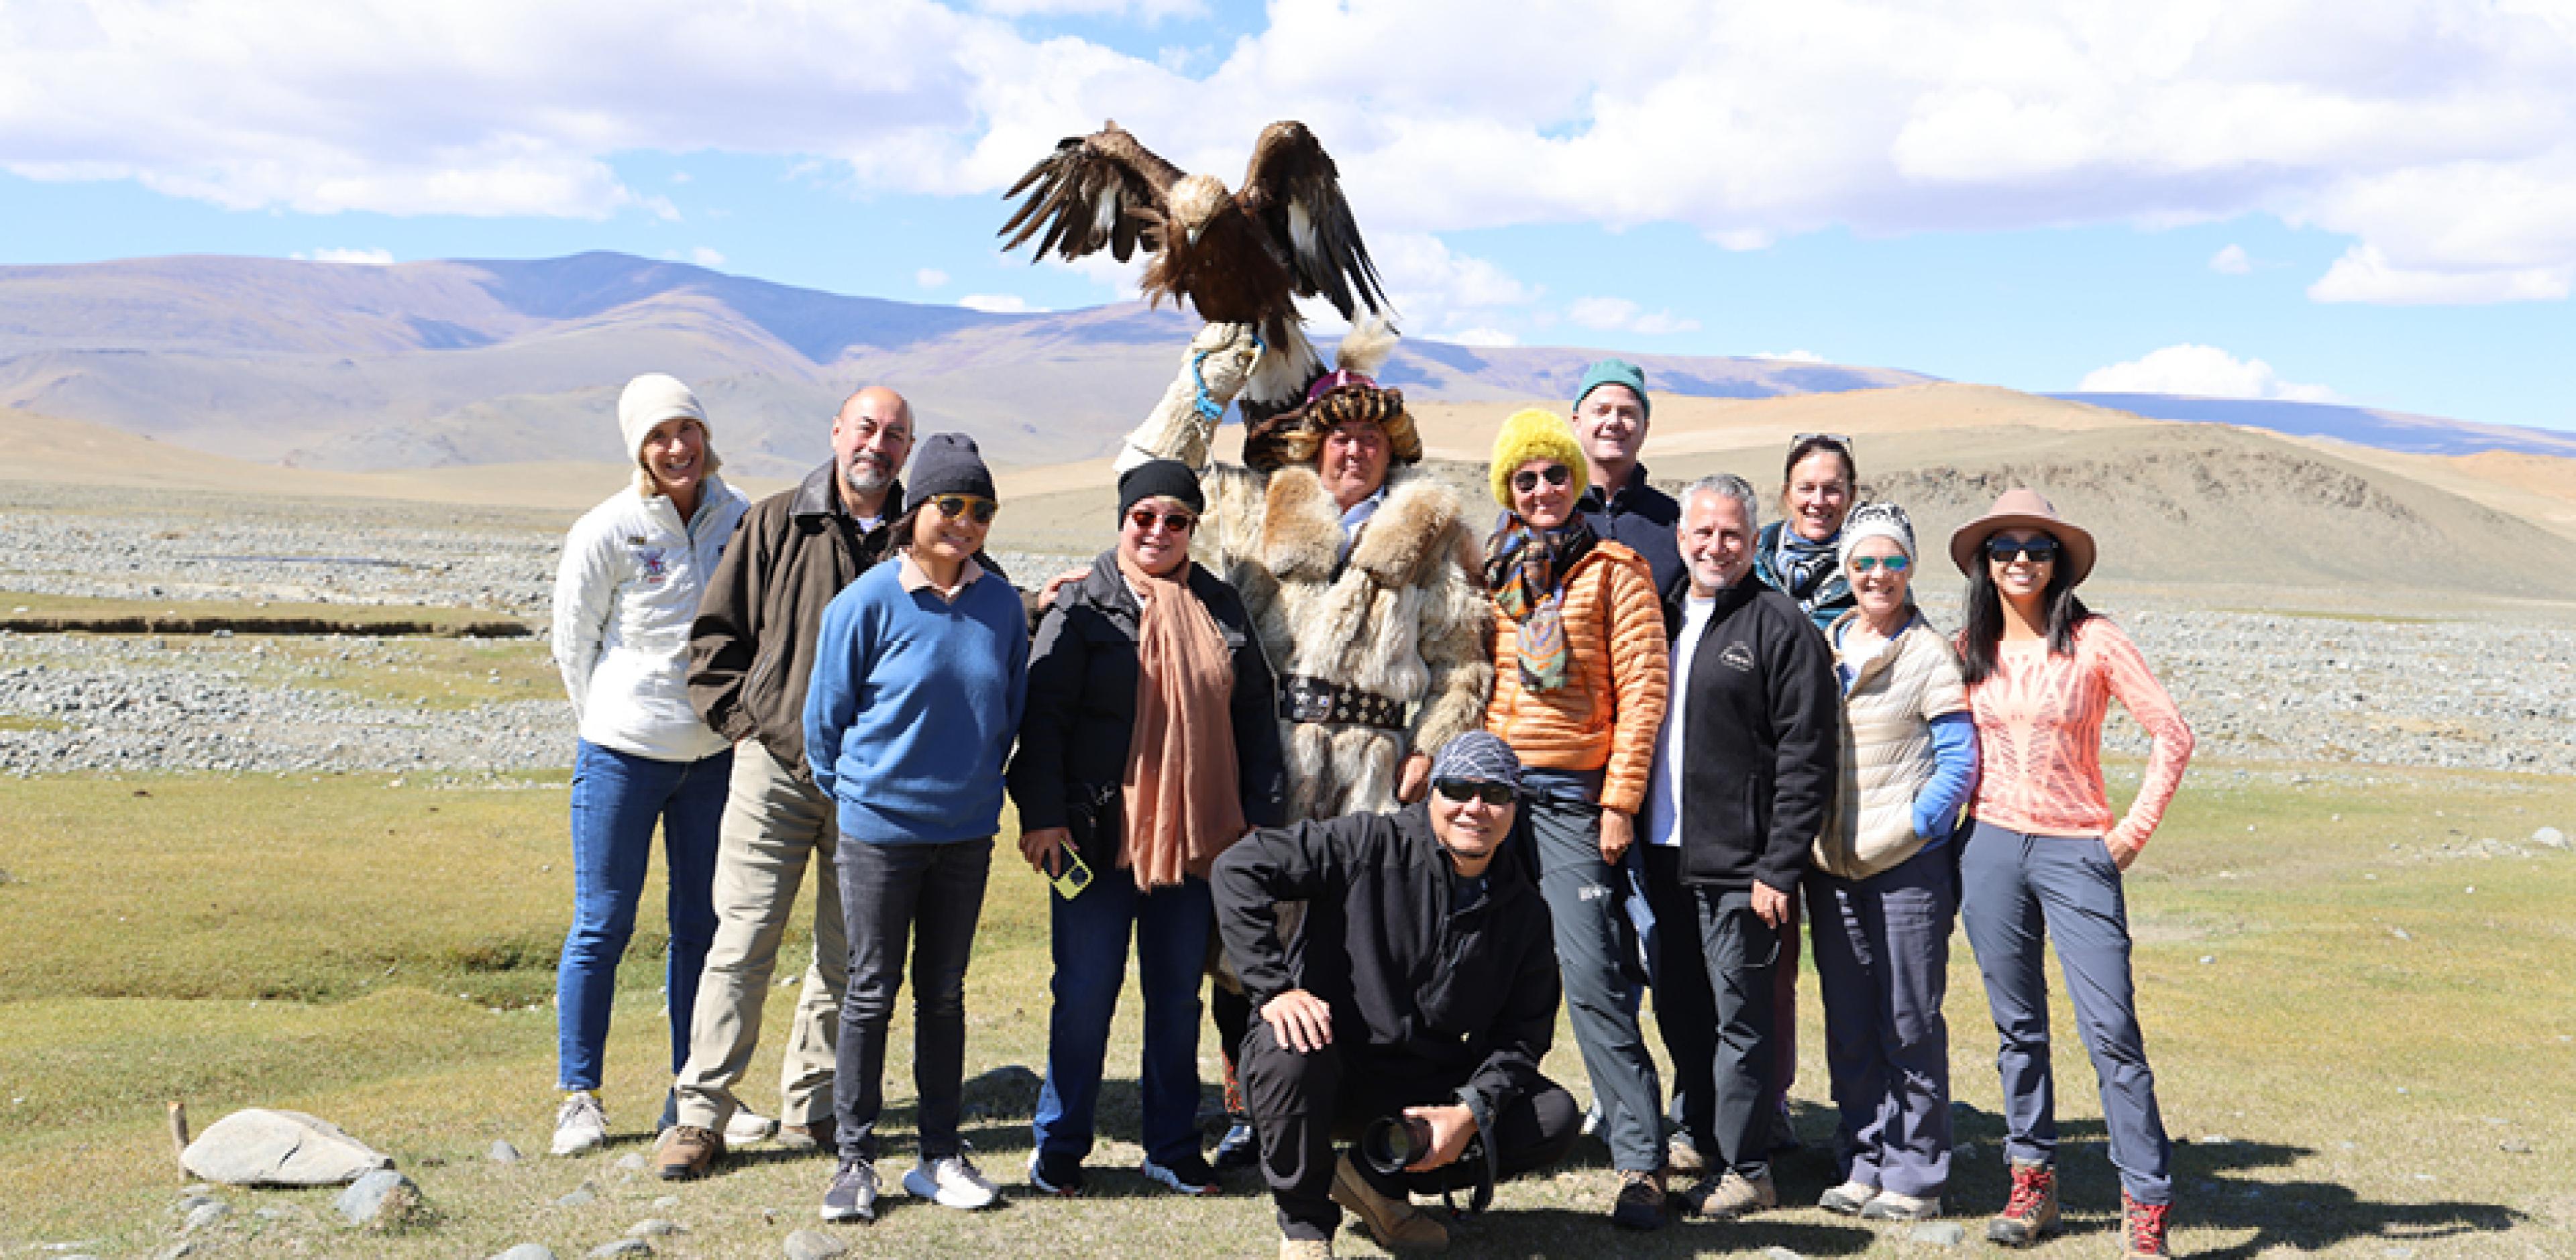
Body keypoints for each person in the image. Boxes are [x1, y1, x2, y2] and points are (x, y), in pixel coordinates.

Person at [1121, 321, 1492, 1168]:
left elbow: (1460, 665)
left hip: (1374, 764)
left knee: (1362, 941)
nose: (1353, 450)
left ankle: (1355, 1104)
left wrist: (1430, 750)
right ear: (1313, 447)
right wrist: (1206, 379)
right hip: (1272, 755)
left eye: (1370, 437)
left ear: (1390, 450)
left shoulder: (1431, 538)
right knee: (1246, 937)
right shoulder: (1258, 513)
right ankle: (1254, 1104)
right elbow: (1162, 489)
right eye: (1338, 436)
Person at [649, 388, 915, 1180]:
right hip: (774, 768)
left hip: (872, 781)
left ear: (908, 449)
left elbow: (981, 605)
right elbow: (717, 634)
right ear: (838, 431)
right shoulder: (774, 520)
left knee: (848, 951)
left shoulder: (921, 528)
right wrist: (748, 724)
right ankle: (701, 1113)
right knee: (742, 939)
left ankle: (816, 1105)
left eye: (895, 434)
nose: (878, 443)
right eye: (866, 427)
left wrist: (1051, 601)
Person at [1008, 459, 1289, 1198]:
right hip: (1096, 839)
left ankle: (1170, 1145)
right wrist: (1042, 817)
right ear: (1122, 519)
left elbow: (1256, 719)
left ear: (1192, 528)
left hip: (1198, 842)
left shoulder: (1220, 605)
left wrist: (1261, 823)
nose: (1158, 532)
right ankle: (1059, 1145)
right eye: (1144, 517)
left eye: (1176, 520)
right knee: (1085, 996)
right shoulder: (1083, 604)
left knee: (1176, 998)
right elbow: (1043, 721)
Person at [1216, 732, 1578, 1259]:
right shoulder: (1366, 843)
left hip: (1420, 1088)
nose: (1475, 808)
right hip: (1325, 1062)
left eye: (1495, 794)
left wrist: (1469, 1113)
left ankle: (1371, 1178)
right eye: (1458, 788)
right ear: (1432, 791)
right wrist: (1274, 989)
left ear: (1513, 806)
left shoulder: (1525, 910)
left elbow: (1521, 1037)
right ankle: (1305, 1225)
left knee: (1553, 1115)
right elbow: (1239, 867)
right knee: (1285, 1045)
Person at [1949, 489, 2194, 1259]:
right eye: (2004, 547)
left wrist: (2127, 837)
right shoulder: (1968, 645)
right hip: (1988, 846)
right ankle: (2033, 1182)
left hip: (2077, 850)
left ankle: (2145, 1204)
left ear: (2061, 561)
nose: (2020, 558)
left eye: (2038, 546)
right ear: (1985, 564)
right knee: (2017, 1029)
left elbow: (2173, 734)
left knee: (2111, 1029)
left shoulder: (2096, 640)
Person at [804, 433, 1030, 1222]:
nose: (965, 522)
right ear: (916, 509)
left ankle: (938, 1155)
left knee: (943, 991)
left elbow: (1010, 714)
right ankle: (855, 1162)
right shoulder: (865, 602)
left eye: (981, 509)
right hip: (878, 833)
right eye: (951, 504)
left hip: (966, 833)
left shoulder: (1002, 605)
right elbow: (823, 724)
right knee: (870, 990)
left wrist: (972, 790)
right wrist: (867, 798)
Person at [546, 373, 752, 1157]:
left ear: (706, 435)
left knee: (701, 928)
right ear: (639, 447)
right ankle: (579, 1096)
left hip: (712, 760)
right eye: (660, 436)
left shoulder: (741, 519)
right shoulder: (608, 528)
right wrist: (607, 719)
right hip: (622, 756)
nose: (678, 447)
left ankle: (692, 1097)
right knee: (602, 922)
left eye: (688, 430)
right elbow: (575, 640)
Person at [1479, 409, 1672, 1229]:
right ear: (1509, 491)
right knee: (1480, 968)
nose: (1543, 490)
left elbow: (1644, 693)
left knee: (1592, 976)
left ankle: (1642, 1163)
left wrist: (1620, 802)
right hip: (1490, 796)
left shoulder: (1614, 568)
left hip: (1571, 795)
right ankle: (1475, 1129)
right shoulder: (1494, 571)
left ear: (1574, 478)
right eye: (1525, 479)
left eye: (1555, 473)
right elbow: (1480, 679)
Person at [1638, 473, 1837, 1221]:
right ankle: (1700, 1133)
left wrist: (1778, 866)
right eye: (1702, 533)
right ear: (1682, 538)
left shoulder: (1779, 625)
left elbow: (1806, 757)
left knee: (1742, 1020)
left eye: (1731, 534)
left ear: (1754, 542)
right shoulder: (1658, 615)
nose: (1715, 546)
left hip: (1743, 867)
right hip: (1663, 855)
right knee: (1681, 1009)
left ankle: (1750, 1167)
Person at [1806, 502, 1977, 1222]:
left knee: (1909, 1019)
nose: (1879, 574)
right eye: (1865, 562)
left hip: (1905, 868)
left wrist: (1915, 826)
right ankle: (1863, 1157)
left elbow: (1960, 761)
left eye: (1894, 561)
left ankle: (1915, 1171)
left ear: (1911, 568)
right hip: (1832, 866)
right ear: (1846, 569)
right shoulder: (1826, 645)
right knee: (1849, 1020)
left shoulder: (1928, 652)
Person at [1743, 431, 1862, 1154]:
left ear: (1852, 495)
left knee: (1851, 964)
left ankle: (1863, 1112)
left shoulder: (1876, 566)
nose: (1819, 500)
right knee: (1770, 964)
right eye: (1807, 486)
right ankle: (1773, 1101)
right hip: (1764, 794)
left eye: (1834, 488)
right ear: (1786, 490)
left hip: (1850, 795)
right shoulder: (1747, 562)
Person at [1566, 358, 1683, 599]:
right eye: (1601, 411)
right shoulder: (1548, 515)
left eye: (1627, 413)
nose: (1614, 422)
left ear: (1645, 427)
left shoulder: (1675, 522)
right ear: (1577, 422)